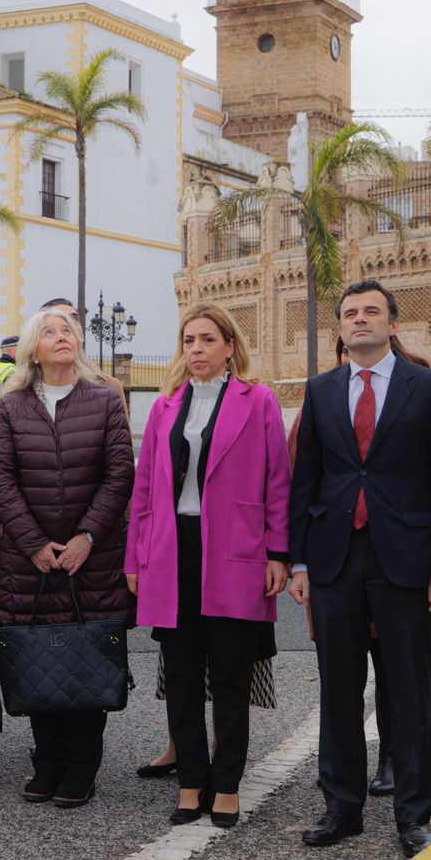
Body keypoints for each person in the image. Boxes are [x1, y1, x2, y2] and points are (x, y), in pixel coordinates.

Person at [290, 280, 431, 858]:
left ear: (393, 324)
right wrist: (298, 561)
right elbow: (306, 483)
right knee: (339, 691)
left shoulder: (430, 388)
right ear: (340, 329)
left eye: (371, 312)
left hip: (407, 562)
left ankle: (413, 817)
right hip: (335, 560)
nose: (359, 319)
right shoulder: (320, 392)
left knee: (409, 693)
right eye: (350, 314)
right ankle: (341, 808)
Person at [126, 305, 290, 829]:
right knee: (180, 674)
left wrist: (278, 553)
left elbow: (277, 484)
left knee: (230, 676)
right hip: (172, 548)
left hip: (235, 549)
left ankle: (227, 785)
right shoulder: (165, 406)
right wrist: (136, 556)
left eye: (206, 340)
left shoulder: (258, 400)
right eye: (188, 340)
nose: (195, 349)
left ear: (228, 346)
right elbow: (144, 490)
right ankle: (191, 782)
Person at [0, 307, 134, 808]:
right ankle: (46, 761)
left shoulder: (104, 401)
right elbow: (1, 479)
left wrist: (87, 537)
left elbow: (119, 475)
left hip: (90, 559)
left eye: (67, 331)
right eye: (49, 332)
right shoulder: (11, 406)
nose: (61, 338)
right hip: (28, 561)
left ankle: (81, 768)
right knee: (37, 659)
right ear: (32, 348)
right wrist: (32, 542)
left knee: (86, 659)